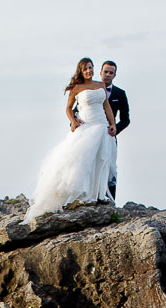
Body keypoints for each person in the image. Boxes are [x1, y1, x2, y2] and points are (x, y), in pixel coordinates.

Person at [25, 58, 117, 220]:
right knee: (83, 160)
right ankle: (84, 195)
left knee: (101, 159)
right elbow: (68, 108)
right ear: (81, 71)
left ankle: (98, 195)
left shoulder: (100, 85)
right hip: (87, 125)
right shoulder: (76, 88)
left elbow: (107, 106)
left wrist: (112, 124)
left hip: (101, 125)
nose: (89, 71)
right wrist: (73, 120)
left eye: (90, 68)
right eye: (85, 69)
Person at [101, 60, 129, 200]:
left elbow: (126, 119)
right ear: (100, 72)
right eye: (105, 72)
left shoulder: (120, 94)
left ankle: (111, 200)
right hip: (92, 134)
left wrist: (115, 129)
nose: (108, 75)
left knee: (111, 168)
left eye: (111, 73)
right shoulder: (91, 90)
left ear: (114, 75)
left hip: (110, 136)